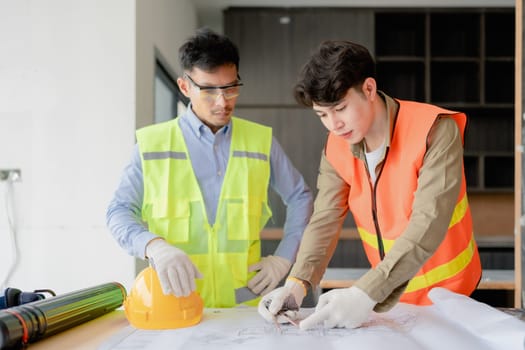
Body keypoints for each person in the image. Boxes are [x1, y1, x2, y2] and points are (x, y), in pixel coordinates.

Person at [258, 40, 481, 330]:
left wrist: (365, 292)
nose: (333, 124)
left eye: (340, 108)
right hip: (390, 301)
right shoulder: (336, 148)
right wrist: (297, 284)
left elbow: (429, 221)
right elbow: (325, 218)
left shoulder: (435, 130)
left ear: (369, 89)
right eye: (322, 115)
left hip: (451, 296)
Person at [106, 28, 313, 308]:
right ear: (184, 87)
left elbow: (300, 196)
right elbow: (118, 212)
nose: (222, 101)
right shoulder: (151, 144)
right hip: (174, 304)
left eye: (230, 88)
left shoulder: (260, 141)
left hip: (243, 304)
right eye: (209, 90)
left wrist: (284, 257)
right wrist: (153, 245)